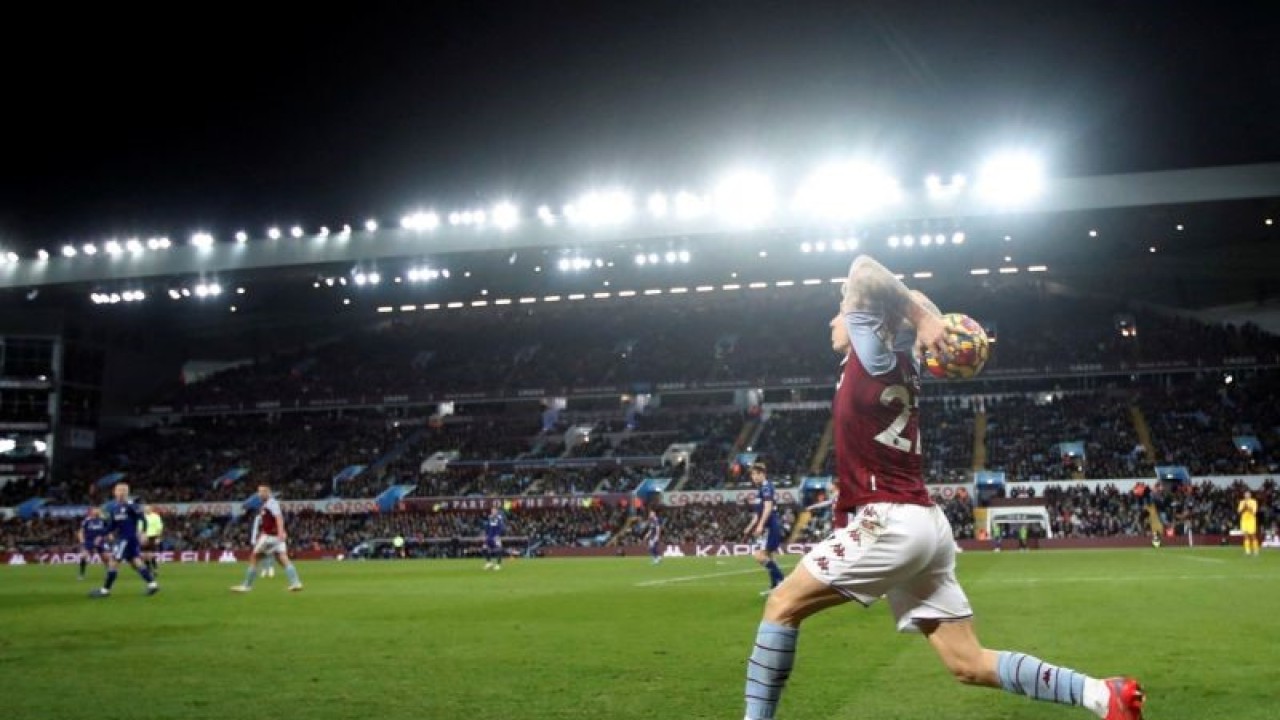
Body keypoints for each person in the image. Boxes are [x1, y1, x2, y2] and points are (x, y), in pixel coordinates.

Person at [740, 255, 1144, 720]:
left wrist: (922, 318)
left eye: (840, 311)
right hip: (925, 525)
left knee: (782, 603)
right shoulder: (902, 362)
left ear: (862, 320)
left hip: (887, 521)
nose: (834, 318)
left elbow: (864, 268)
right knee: (968, 662)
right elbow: (900, 297)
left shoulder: (872, 355)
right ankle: (1102, 695)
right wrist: (921, 317)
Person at [89, 483, 159, 598]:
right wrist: (101, 535)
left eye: (124, 490)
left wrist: (143, 532)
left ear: (127, 492)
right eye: (119, 490)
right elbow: (112, 526)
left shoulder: (131, 505)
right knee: (135, 562)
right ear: (114, 492)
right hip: (123, 538)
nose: (121, 492)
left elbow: (143, 518)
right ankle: (153, 584)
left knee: (113, 561)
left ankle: (105, 590)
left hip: (126, 539)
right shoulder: (114, 508)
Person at [231, 485, 303, 592]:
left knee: (254, 557)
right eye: (259, 491)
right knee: (282, 558)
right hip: (275, 536)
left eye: (262, 491)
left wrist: (280, 533)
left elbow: (279, 518)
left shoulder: (271, 503)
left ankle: (246, 586)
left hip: (269, 536)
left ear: (268, 492)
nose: (260, 494)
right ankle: (296, 583)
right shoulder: (267, 504)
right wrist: (281, 533)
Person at [746, 461, 785, 594]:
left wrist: (761, 525)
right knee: (769, 557)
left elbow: (768, 508)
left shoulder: (766, 488)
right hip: (768, 525)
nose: (754, 477)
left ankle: (782, 581)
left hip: (770, 525)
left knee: (759, 556)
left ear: (763, 474)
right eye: (752, 474)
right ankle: (775, 586)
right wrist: (751, 525)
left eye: (757, 474)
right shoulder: (761, 489)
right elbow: (759, 512)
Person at [77, 507, 110, 581]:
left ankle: (108, 573)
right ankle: (81, 574)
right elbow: (81, 531)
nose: (97, 510)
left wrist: (107, 536)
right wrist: (82, 541)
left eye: (97, 509)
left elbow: (108, 528)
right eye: (95, 509)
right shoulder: (86, 521)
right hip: (89, 541)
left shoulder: (102, 520)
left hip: (100, 541)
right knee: (83, 556)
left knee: (106, 557)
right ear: (91, 511)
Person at [142, 505, 164, 575]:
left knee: (151, 554)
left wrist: (158, 537)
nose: (146, 510)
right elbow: (139, 527)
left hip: (153, 536)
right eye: (145, 509)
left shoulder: (156, 516)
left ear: (151, 509)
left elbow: (159, 527)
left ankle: (155, 568)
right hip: (143, 536)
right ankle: (148, 569)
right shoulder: (141, 517)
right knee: (144, 554)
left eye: (148, 509)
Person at [483, 506, 506, 570]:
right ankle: (489, 563)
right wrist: (486, 534)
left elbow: (501, 527)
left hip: (496, 536)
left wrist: (498, 535)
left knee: (498, 550)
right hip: (489, 536)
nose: (493, 512)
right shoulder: (489, 517)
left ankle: (498, 565)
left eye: (494, 510)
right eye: (492, 511)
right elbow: (487, 526)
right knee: (484, 548)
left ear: (497, 511)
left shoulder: (499, 518)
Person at [1238, 489, 1259, 557]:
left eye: (1248, 494)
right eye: (1245, 494)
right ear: (1244, 495)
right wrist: (1244, 507)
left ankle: (1255, 550)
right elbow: (1239, 511)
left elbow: (1254, 512)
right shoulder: (1242, 502)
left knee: (1253, 535)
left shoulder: (1253, 502)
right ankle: (1247, 551)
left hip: (1251, 520)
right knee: (1245, 535)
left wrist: (1248, 508)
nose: (1246, 495)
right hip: (1244, 520)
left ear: (1250, 495)